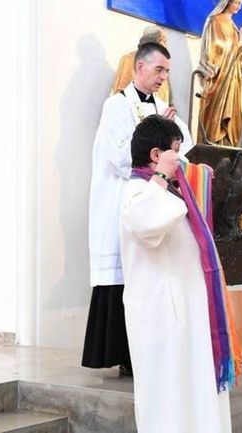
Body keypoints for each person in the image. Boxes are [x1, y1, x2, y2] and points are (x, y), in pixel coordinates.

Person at [83, 42, 193, 376]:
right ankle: (125, 356)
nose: (163, 77)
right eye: (159, 69)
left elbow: (184, 152)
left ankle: (153, 352)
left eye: (167, 72)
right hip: (124, 200)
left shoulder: (164, 109)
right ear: (139, 68)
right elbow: (116, 156)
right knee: (123, 278)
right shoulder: (116, 106)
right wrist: (153, 139)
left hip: (157, 205)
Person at [119, 115, 231, 433]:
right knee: (169, 400)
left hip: (187, 311)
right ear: (157, 155)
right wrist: (161, 178)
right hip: (162, 315)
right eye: (176, 151)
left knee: (194, 397)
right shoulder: (136, 191)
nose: (181, 160)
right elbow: (144, 221)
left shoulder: (166, 189)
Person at [197, 0, 242, 146]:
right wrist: (241, 42)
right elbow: (218, 52)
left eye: (241, 4)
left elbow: (240, 57)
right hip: (219, 82)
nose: (239, 7)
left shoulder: (233, 25)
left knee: (235, 119)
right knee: (217, 124)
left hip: (233, 83)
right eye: (237, 3)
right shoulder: (215, 21)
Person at [110, 26, 171, 104]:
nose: (166, 46)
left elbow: (164, 98)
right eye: (163, 41)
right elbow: (120, 91)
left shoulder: (164, 67)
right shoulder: (129, 59)